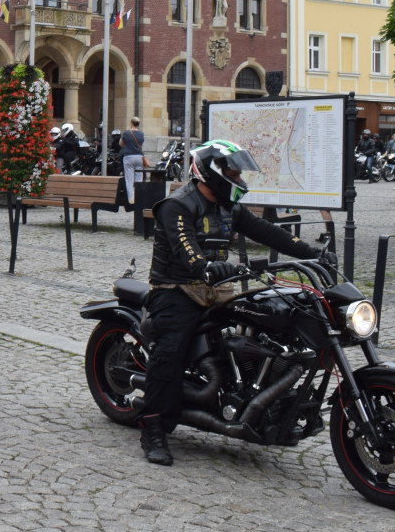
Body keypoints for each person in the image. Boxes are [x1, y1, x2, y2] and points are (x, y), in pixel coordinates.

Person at [139, 140, 332, 466]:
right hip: (176, 289)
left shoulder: (229, 206)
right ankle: (153, 425)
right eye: (233, 171)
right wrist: (206, 267)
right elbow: (186, 249)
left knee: (268, 324)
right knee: (171, 349)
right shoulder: (178, 205)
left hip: (217, 288)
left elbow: (269, 232)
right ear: (211, 173)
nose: (239, 178)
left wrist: (312, 254)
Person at [118, 117, 146, 199]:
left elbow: (121, 144)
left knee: (129, 180)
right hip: (139, 157)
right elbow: (141, 144)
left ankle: (130, 199)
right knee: (139, 178)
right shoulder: (141, 134)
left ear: (131, 123)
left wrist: (127, 147)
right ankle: (139, 199)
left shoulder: (126, 133)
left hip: (129, 157)